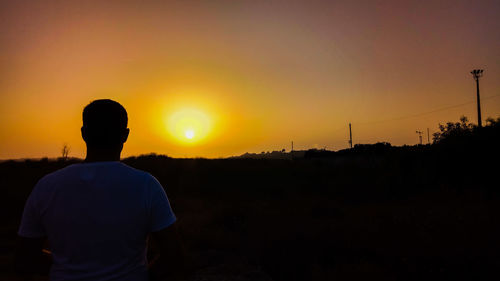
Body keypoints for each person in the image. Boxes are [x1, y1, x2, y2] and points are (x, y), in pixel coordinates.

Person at [16, 99, 186, 281]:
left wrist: (66, 267)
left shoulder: (47, 186)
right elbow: (174, 256)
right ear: (125, 135)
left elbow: (25, 257)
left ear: (83, 133)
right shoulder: (146, 186)